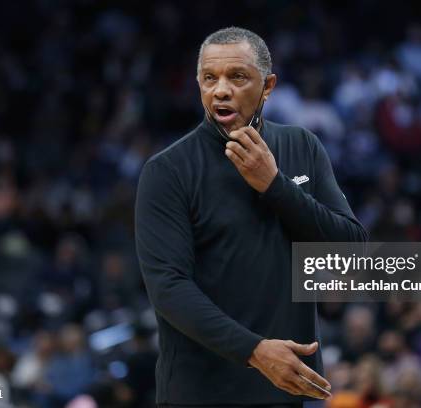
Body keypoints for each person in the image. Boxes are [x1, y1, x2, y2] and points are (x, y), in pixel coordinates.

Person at [135, 27, 368, 407]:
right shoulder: (168, 171)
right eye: (209, 78)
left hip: (290, 389)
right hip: (202, 395)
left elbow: (351, 251)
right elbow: (169, 288)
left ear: (268, 85)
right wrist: (256, 351)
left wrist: (275, 185)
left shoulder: (302, 145)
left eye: (237, 77)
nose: (221, 90)